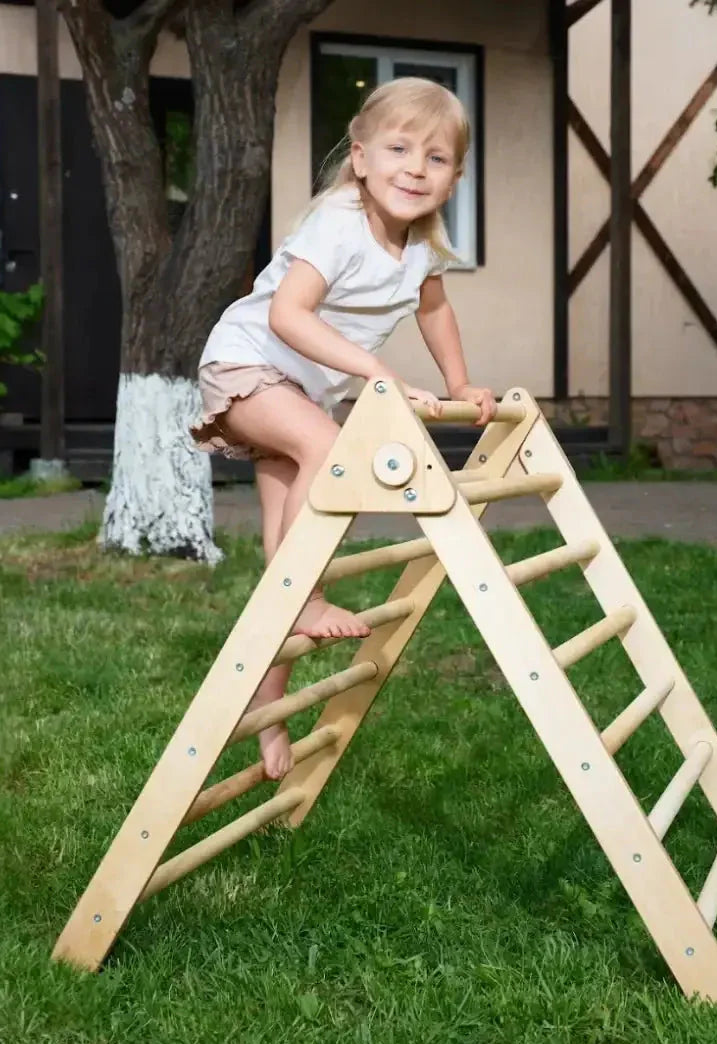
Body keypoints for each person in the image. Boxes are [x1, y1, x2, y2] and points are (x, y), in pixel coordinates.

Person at [190, 77, 497, 780]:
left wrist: (458, 384)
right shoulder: (339, 222)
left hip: (301, 390)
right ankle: (313, 598)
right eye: (398, 149)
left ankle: (267, 720)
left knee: (283, 567)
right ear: (359, 157)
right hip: (249, 366)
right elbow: (287, 316)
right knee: (328, 455)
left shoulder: (420, 250)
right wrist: (377, 374)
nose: (415, 168)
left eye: (437, 158)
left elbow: (435, 313)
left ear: (454, 179)